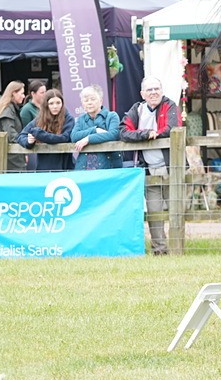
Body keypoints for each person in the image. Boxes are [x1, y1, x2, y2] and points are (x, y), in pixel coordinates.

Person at [120, 76, 181, 256]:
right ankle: (159, 250)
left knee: (177, 209)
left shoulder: (170, 106)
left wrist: (156, 134)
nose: (153, 92)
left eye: (156, 89)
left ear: (162, 91)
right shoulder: (137, 109)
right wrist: (146, 134)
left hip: (172, 167)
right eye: (149, 90)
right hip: (149, 169)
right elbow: (123, 132)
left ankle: (178, 248)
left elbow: (173, 128)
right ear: (142, 94)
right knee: (154, 212)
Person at [16, 89, 75, 172]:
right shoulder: (40, 119)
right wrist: (28, 141)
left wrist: (41, 135)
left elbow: (65, 137)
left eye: (58, 103)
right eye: (51, 103)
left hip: (64, 166)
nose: (55, 106)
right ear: (46, 105)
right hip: (43, 167)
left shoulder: (68, 119)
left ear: (62, 104)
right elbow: (21, 136)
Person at [71, 85, 123, 171]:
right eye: (86, 100)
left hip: (109, 166)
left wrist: (88, 139)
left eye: (93, 99)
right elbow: (74, 136)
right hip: (84, 167)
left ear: (101, 101)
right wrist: (95, 130)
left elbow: (114, 134)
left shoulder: (112, 116)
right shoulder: (81, 119)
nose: (89, 103)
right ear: (82, 104)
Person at [0, 81, 27, 171]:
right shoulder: (7, 110)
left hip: (11, 158)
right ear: (13, 93)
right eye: (22, 93)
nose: (24, 96)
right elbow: (11, 135)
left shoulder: (11, 109)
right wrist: (26, 141)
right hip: (9, 161)